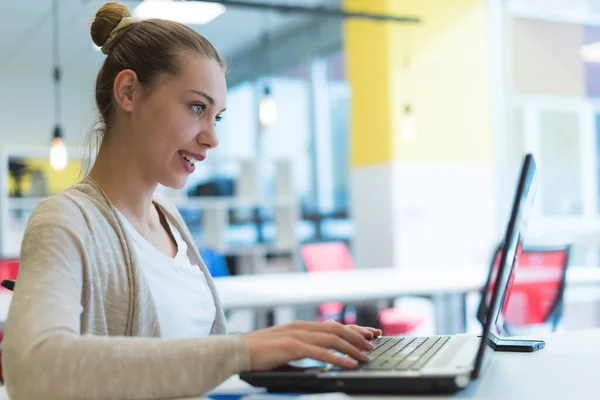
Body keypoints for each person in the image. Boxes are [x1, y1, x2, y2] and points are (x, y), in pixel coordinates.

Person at [1, 2, 381, 399]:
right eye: (197, 107)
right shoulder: (65, 220)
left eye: (216, 117)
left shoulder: (169, 218)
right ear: (128, 91)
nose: (211, 137)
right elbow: (32, 369)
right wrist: (239, 350)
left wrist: (274, 357)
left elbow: (195, 359)